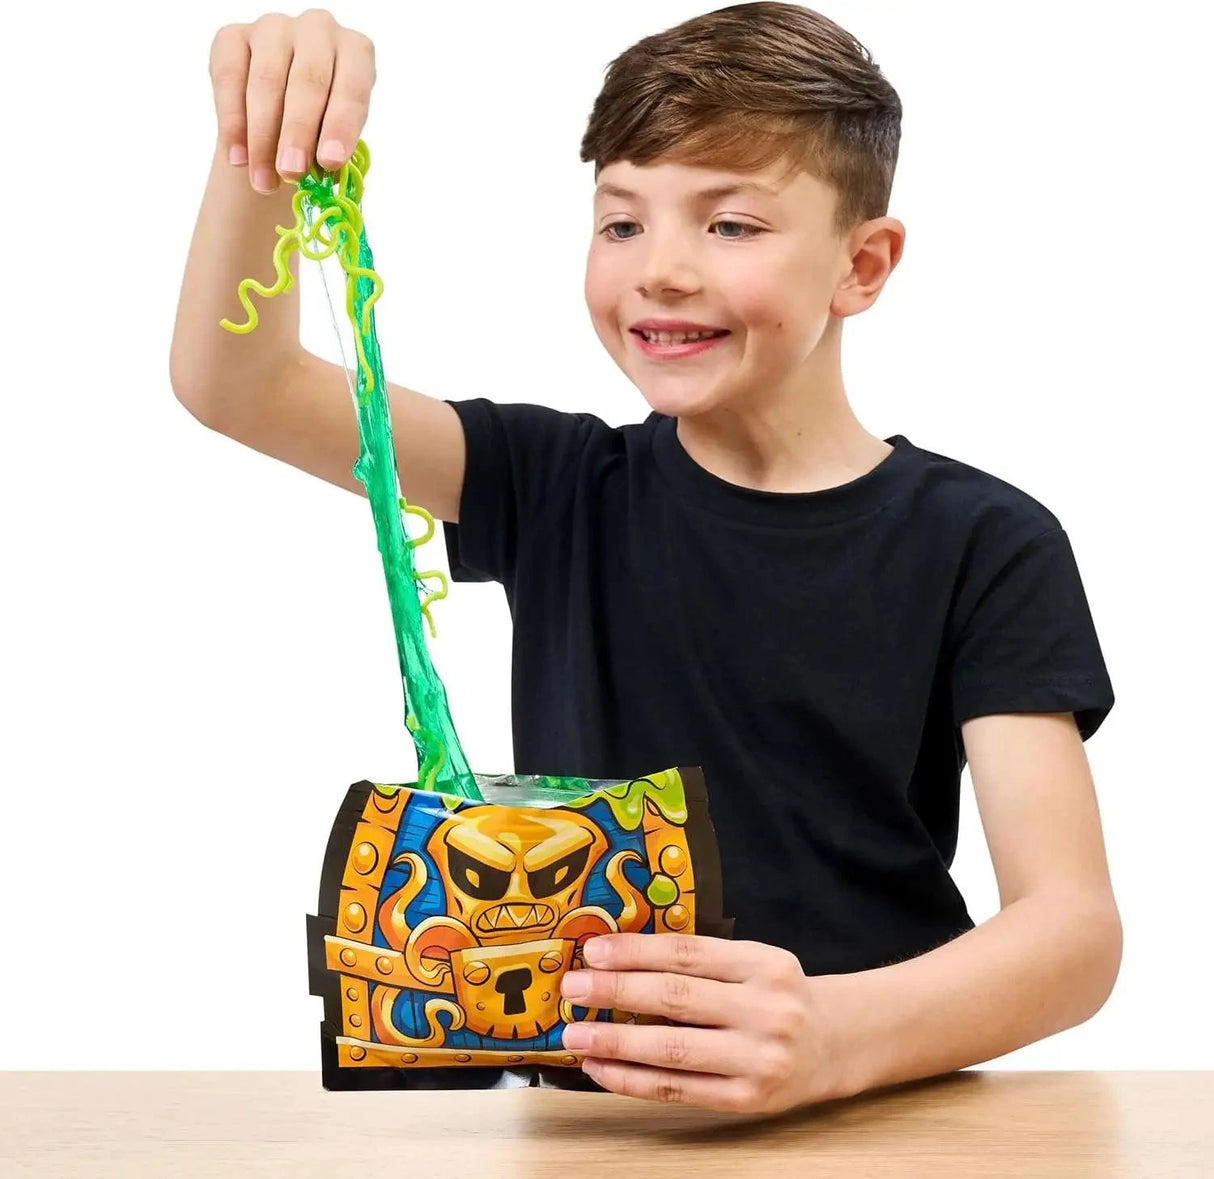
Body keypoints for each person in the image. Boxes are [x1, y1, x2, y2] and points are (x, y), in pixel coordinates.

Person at [170, 3, 1121, 1116]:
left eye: (729, 225)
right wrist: (266, 145)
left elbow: (1069, 929)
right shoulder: (553, 481)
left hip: (887, 1107)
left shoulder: (983, 539)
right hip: (597, 1122)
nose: (659, 271)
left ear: (860, 265)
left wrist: (830, 1037)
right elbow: (237, 383)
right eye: (621, 223)